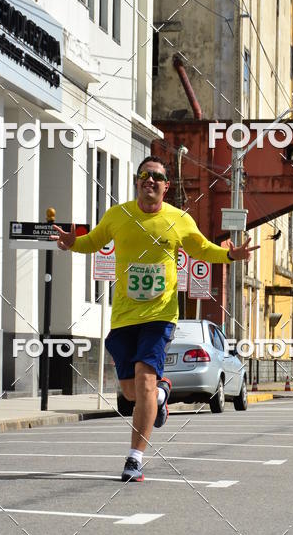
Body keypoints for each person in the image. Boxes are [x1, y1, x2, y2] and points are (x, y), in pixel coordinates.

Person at [51, 155, 258, 482]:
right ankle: (162, 395)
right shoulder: (117, 216)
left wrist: (230, 254)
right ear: (137, 181)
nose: (150, 180)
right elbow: (93, 242)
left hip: (159, 317)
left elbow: (203, 249)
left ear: (166, 186)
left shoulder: (179, 220)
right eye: (144, 175)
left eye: (157, 177)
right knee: (133, 393)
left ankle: (135, 458)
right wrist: (72, 243)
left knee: (144, 383)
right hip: (123, 318)